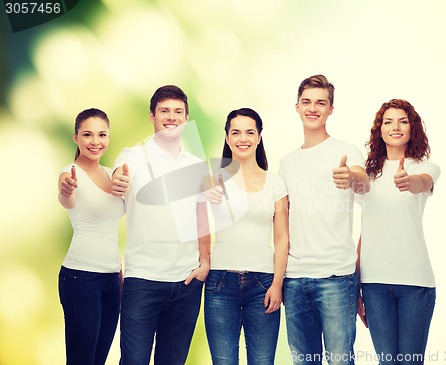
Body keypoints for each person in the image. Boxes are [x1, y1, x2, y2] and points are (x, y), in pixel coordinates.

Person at [111, 85, 210, 365]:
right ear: (152, 116)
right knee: (134, 360)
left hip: (186, 283)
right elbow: (119, 178)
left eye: (178, 112)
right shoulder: (133, 156)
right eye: (164, 111)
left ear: (186, 118)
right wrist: (118, 181)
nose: (172, 117)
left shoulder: (197, 164)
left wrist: (205, 262)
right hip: (142, 279)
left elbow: (201, 217)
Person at [279, 74, 370, 365]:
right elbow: (280, 222)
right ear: (296, 107)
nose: (313, 108)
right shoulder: (286, 163)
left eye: (321, 102)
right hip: (294, 279)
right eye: (306, 102)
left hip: (336, 277)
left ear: (331, 109)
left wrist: (351, 176)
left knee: (340, 361)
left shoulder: (346, 151)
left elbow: (363, 182)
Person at [357, 99, 440, 365]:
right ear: (379, 130)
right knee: (387, 362)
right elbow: (365, 230)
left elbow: (421, 184)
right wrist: (356, 283)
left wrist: (409, 181)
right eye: (388, 121)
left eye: (403, 121)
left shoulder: (424, 168)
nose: (395, 127)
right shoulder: (368, 175)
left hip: (415, 283)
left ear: (412, 128)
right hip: (375, 284)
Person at [204, 108, 289, 364]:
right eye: (236, 132)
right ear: (227, 138)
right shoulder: (212, 180)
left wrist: (277, 283)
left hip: (262, 285)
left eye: (250, 132)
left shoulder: (275, 183)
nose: (243, 138)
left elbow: (282, 237)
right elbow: (197, 226)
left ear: (259, 137)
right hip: (220, 283)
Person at [58, 108, 125, 365]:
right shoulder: (69, 172)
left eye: (101, 135)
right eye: (87, 134)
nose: (95, 142)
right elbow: (66, 196)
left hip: (112, 281)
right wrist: (66, 189)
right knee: (81, 360)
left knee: (99, 359)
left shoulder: (112, 174)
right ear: (76, 138)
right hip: (80, 278)